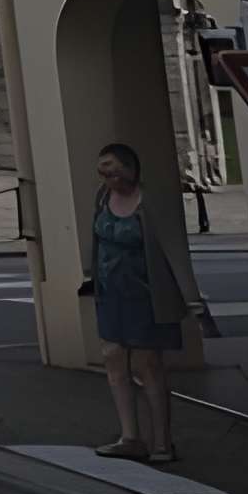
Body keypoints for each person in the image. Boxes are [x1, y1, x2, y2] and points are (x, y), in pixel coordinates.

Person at [78, 141, 206, 466]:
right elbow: (95, 240)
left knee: (149, 365)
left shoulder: (150, 202)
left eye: (113, 172)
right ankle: (130, 437)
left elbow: (174, 251)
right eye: (104, 173)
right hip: (111, 294)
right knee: (113, 359)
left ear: (130, 170)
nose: (109, 179)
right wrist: (90, 275)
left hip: (145, 296)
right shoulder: (103, 197)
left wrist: (191, 300)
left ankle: (162, 442)